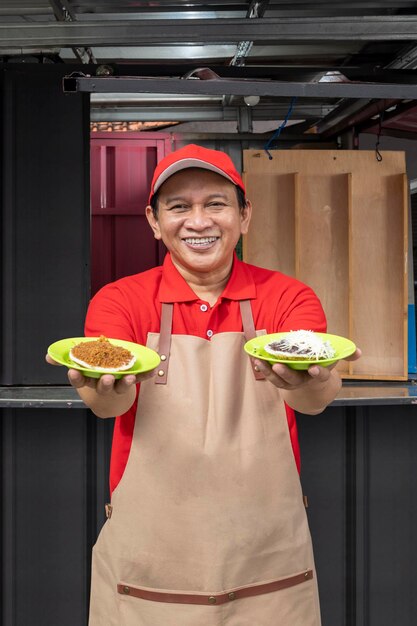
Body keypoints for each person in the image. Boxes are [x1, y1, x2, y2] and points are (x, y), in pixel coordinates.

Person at [47, 144, 360, 626]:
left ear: (244, 215)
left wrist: (312, 378)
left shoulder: (287, 296)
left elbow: (314, 400)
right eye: (178, 207)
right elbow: (110, 406)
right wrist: (102, 390)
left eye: (215, 204)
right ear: (153, 222)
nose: (199, 221)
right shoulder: (121, 300)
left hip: (268, 562)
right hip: (149, 566)